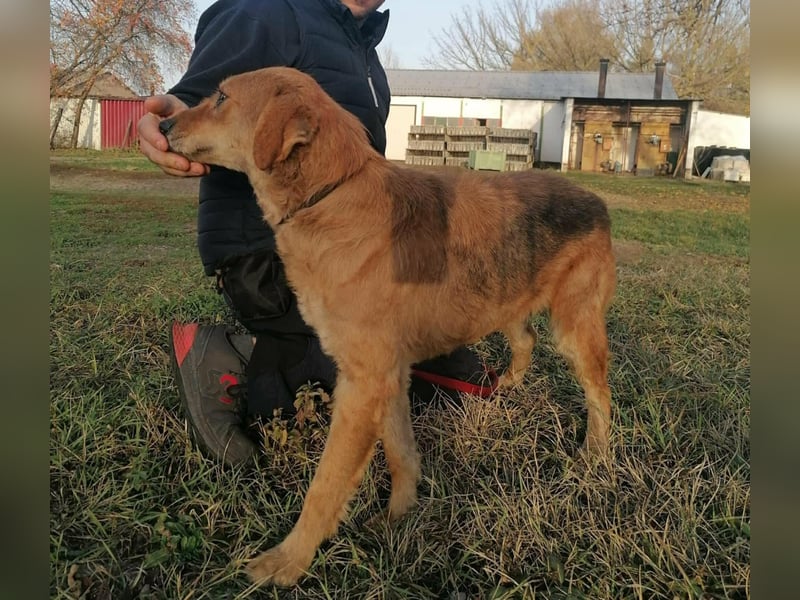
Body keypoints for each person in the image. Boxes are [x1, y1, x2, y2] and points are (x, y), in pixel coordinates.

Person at [138, 0, 497, 466]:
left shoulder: (366, 57)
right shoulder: (270, 11)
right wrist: (175, 116)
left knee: (458, 375)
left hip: (341, 250)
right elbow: (206, 98)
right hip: (263, 253)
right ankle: (234, 357)